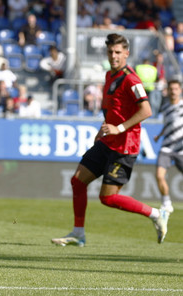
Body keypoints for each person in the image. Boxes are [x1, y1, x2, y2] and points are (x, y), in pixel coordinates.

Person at [51, 33, 170, 247]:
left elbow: (146, 110)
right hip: (107, 141)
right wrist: (103, 129)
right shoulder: (109, 76)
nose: (113, 56)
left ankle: (156, 213)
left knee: (107, 198)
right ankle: (78, 233)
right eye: (110, 52)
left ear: (126, 53)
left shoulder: (132, 79)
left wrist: (119, 128)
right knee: (77, 181)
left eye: (117, 52)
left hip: (125, 146)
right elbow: (112, 110)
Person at [153, 79, 183, 215]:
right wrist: (159, 136)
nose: (173, 92)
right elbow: (167, 125)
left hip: (181, 148)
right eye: (171, 89)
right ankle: (166, 203)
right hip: (166, 147)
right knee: (159, 175)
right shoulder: (165, 108)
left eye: (176, 89)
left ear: (180, 91)